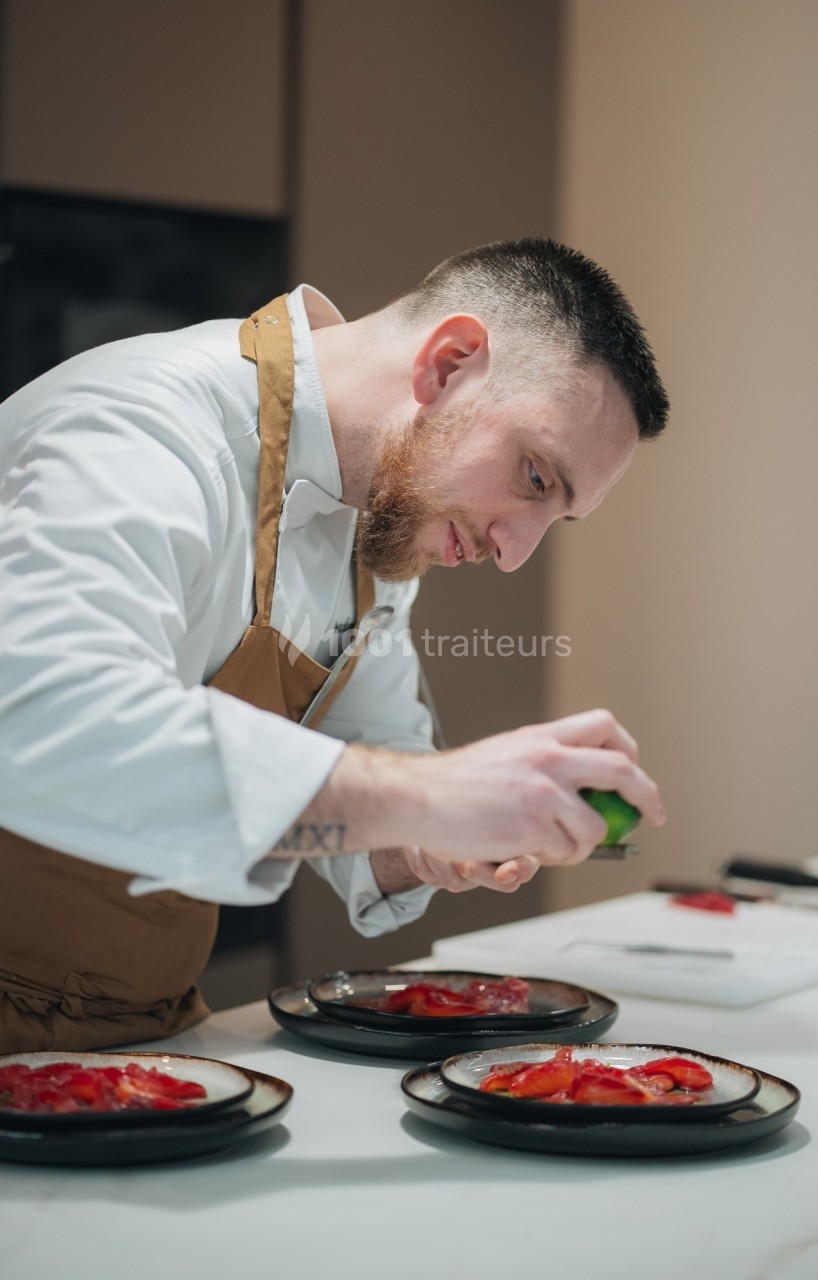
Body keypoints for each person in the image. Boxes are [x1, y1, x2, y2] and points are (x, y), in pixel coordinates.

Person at [0, 238, 669, 1052]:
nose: (514, 552)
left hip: (144, 1034)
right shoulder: (145, 424)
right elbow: (46, 715)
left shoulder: (378, 519)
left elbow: (370, 760)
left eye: (555, 517)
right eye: (534, 478)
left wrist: (431, 842)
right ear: (450, 364)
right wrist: (434, 795)